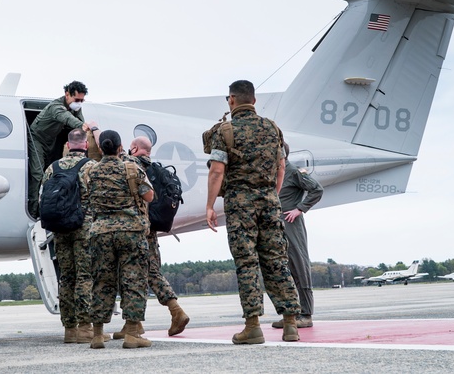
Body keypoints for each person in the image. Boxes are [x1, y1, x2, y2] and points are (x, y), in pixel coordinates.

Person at [205, 79, 301, 344]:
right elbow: (281, 167)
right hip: (270, 202)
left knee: (247, 263)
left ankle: (253, 326)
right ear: (254, 101)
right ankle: (291, 323)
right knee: (277, 261)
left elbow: (216, 170)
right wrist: (272, 194)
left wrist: (210, 205)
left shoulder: (225, 131)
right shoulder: (273, 128)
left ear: (231, 100)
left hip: (240, 205)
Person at [82, 130, 155, 349]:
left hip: (100, 232)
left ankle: (97, 335)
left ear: (102, 148)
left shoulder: (90, 171)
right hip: (131, 232)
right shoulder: (131, 169)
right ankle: (132, 334)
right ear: (120, 147)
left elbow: (86, 194)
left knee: (101, 282)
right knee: (133, 281)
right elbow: (149, 195)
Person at [114, 136, 190, 339]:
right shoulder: (155, 169)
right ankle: (141, 321)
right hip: (151, 228)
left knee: (135, 275)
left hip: (135, 228)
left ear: (135, 148)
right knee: (150, 272)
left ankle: (170, 312)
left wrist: (93, 129)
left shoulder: (130, 164)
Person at [41, 128, 98, 343]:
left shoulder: (52, 168)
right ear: (85, 145)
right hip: (84, 227)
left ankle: (69, 329)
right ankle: (85, 328)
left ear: (67, 145)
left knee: (66, 277)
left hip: (59, 228)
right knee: (85, 276)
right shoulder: (91, 166)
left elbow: (43, 195)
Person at [271, 142, 323, 330]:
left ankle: (306, 314)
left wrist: (300, 209)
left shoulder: (293, 172)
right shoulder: (275, 173)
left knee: (299, 265)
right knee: (282, 269)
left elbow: (317, 189)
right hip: (276, 226)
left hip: (291, 225)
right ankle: (290, 314)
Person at [28, 81, 97, 218]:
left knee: (51, 174)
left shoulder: (75, 107)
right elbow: (69, 120)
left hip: (51, 141)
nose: (79, 103)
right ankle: (33, 211)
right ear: (67, 95)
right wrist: (85, 126)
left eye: (82, 100)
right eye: (77, 99)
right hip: (37, 139)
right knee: (37, 174)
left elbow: (79, 125)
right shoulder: (56, 107)